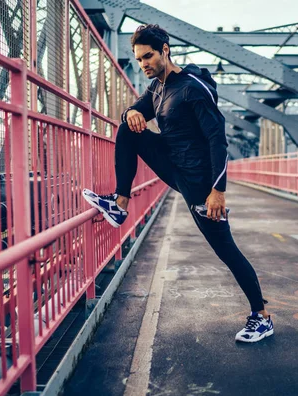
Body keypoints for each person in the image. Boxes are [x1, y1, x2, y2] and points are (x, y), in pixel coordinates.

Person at [82, 24, 273, 343]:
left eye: (148, 56)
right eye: (139, 58)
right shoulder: (156, 89)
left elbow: (217, 138)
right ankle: (120, 204)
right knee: (128, 129)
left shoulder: (191, 87)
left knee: (226, 249)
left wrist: (218, 191)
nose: (143, 63)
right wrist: (131, 112)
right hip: (173, 167)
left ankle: (261, 316)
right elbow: (135, 110)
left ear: (165, 50)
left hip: (200, 181)